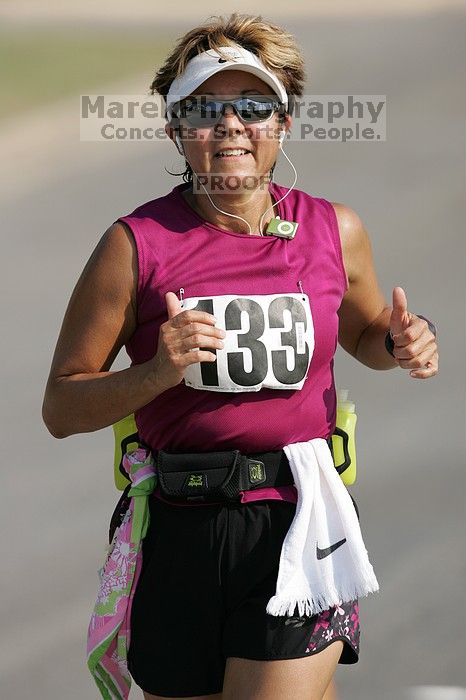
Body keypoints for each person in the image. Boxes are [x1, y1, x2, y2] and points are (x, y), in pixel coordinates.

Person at [42, 13, 439, 700]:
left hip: (298, 522)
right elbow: (62, 404)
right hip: (178, 530)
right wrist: (154, 373)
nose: (230, 126)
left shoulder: (333, 229)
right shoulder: (134, 245)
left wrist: (401, 340)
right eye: (204, 109)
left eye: (252, 107)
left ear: (282, 123)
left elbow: (369, 332)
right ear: (174, 129)